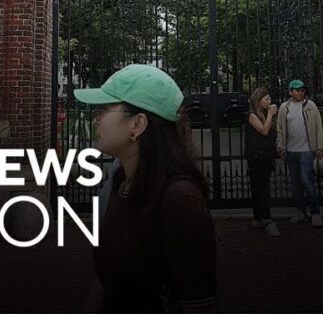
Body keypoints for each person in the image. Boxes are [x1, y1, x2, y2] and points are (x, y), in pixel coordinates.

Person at [79, 64, 217, 313]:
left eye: (105, 109)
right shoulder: (121, 184)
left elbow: (197, 304)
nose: (96, 119)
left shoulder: (180, 202)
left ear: (137, 124)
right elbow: (106, 280)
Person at [275, 79, 323, 228]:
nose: (301, 93)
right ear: (290, 92)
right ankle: (300, 212)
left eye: (302, 90)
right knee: (296, 184)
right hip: (291, 151)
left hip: (306, 150)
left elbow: (318, 127)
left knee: (306, 180)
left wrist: (319, 147)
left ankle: (315, 212)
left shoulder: (311, 106)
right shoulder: (284, 107)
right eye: (297, 90)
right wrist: (281, 147)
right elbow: (280, 129)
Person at [244, 87, 279, 237]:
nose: (269, 102)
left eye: (269, 99)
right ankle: (264, 218)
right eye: (266, 99)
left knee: (262, 187)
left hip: (266, 156)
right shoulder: (252, 115)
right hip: (256, 157)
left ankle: (260, 217)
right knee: (260, 188)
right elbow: (264, 131)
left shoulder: (264, 115)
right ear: (258, 101)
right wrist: (270, 114)